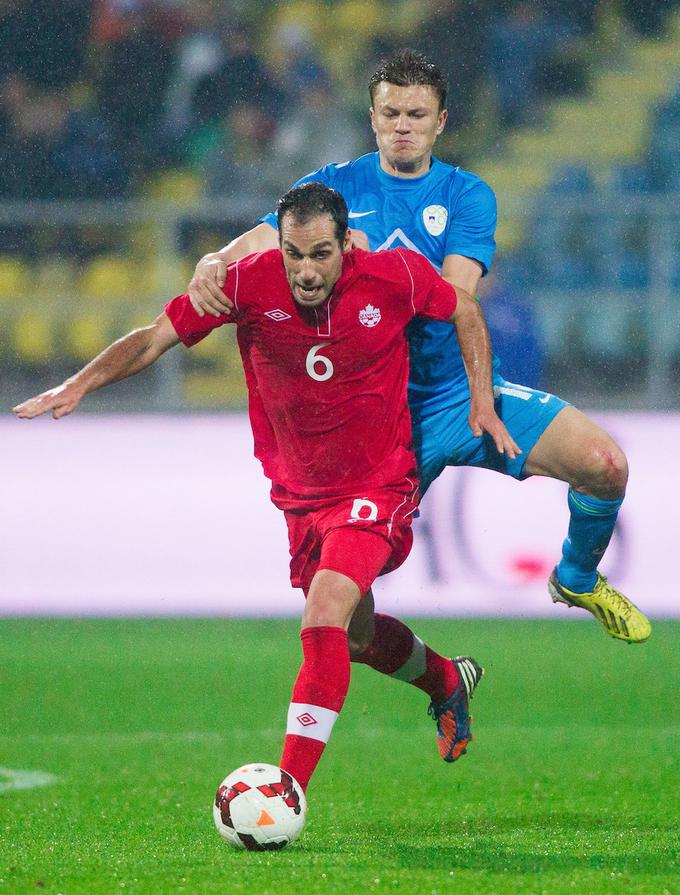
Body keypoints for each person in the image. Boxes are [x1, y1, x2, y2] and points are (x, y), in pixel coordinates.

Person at [14, 182, 490, 793]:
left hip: (378, 485)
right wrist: (79, 384)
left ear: (347, 244)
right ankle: (447, 680)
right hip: (301, 497)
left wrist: (481, 399)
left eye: (321, 254)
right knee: (358, 636)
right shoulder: (247, 282)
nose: (306, 270)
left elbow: (464, 309)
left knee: (322, 616)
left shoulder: (394, 273)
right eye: (295, 253)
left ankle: (285, 792)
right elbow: (157, 335)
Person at [187, 49, 651, 644]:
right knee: (348, 632)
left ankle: (578, 576)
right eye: (391, 113)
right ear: (373, 118)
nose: (402, 125)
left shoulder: (466, 195)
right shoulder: (331, 186)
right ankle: (439, 679)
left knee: (605, 466)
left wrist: (361, 261)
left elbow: (453, 297)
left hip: (458, 393)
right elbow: (261, 236)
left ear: (441, 122)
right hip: (374, 420)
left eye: (416, 113)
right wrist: (214, 260)